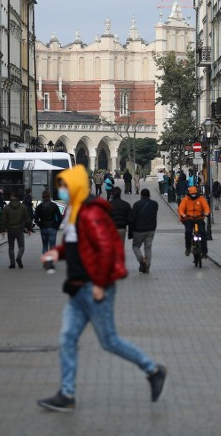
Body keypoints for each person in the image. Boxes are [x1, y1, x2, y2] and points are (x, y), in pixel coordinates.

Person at [37, 164, 166, 412]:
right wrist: (56, 252)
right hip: (77, 288)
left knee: (109, 341)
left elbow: (107, 249)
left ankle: (154, 370)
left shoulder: (91, 214)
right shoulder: (75, 213)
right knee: (67, 338)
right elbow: (76, 246)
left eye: (63, 187)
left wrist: (99, 283)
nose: (60, 191)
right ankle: (67, 394)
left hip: (94, 287)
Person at [0, 190, 32, 268]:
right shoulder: (22, 207)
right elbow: (27, 218)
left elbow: (3, 219)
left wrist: (2, 230)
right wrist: (29, 228)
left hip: (10, 229)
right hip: (20, 229)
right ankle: (19, 257)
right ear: (18, 198)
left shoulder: (6, 207)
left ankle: (12, 263)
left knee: (11, 247)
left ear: (11, 198)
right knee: (21, 246)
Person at [129, 189, 158, 273]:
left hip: (139, 230)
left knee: (135, 246)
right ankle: (147, 266)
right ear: (149, 195)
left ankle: (141, 259)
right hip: (151, 230)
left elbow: (132, 218)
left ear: (141, 195)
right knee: (148, 248)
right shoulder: (155, 204)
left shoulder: (137, 204)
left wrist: (131, 231)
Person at [178, 185, 211, 258]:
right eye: (192, 193)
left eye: (195, 193)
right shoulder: (186, 200)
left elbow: (206, 207)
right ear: (189, 193)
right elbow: (181, 208)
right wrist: (182, 214)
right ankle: (188, 248)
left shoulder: (201, 199)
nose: (193, 195)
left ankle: (205, 251)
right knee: (188, 231)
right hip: (189, 218)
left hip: (199, 218)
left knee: (203, 233)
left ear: (197, 193)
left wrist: (207, 212)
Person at [34, 190, 62, 254]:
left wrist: (40, 225)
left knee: (44, 246)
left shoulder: (39, 207)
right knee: (52, 246)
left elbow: (36, 219)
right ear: (49, 196)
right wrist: (57, 225)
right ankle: (51, 262)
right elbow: (59, 218)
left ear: (42, 197)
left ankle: (46, 262)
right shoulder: (54, 205)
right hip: (52, 227)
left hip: (43, 228)